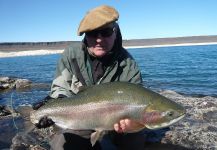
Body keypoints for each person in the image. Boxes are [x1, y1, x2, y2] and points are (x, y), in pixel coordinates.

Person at [33, 5, 145, 150]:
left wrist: (133, 125)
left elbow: (138, 99)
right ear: (85, 35)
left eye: (105, 32)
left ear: (115, 32)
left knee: (135, 139)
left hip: (114, 125)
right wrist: (53, 105)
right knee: (62, 144)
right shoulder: (71, 55)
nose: (99, 39)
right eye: (92, 33)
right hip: (78, 119)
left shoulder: (128, 64)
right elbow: (61, 88)